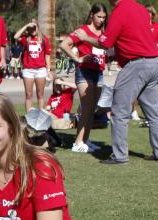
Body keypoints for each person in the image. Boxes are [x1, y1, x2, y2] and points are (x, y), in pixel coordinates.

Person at [73, 0, 158, 164]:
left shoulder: (119, 11)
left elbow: (105, 42)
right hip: (154, 62)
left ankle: (119, 156)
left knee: (118, 111)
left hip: (136, 64)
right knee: (153, 112)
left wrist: (85, 37)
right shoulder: (140, 8)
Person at [59, 3, 108, 153]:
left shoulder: (104, 32)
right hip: (84, 72)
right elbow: (63, 45)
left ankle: (85, 139)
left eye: (104, 17)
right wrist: (77, 58)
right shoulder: (83, 30)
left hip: (98, 73)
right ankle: (77, 143)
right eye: (99, 16)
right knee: (86, 108)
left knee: (92, 109)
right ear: (92, 15)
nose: (101, 20)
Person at [131, 6, 158, 120]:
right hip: (140, 60)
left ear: (153, 14)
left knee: (153, 89)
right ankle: (134, 112)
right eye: (145, 12)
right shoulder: (138, 27)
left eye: (149, 13)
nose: (147, 14)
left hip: (155, 61)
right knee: (137, 88)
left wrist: (153, 45)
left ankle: (150, 114)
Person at [15, 20, 51, 112]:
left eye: (34, 27)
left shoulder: (44, 39)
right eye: (30, 28)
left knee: (40, 95)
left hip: (41, 70)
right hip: (28, 70)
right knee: (28, 95)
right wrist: (26, 25)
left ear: (38, 27)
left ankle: (41, 116)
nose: (32, 30)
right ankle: (29, 118)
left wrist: (48, 70)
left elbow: (47, 55)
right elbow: (16, 36)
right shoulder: (26, 39)